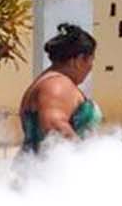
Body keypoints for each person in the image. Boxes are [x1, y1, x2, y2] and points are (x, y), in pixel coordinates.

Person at [19, 23, 101, 152]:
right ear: (79, 60)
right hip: (48, 170)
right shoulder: (57, 86)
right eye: (91, 60)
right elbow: (55, 128)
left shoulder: (50, 81)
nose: (91, 66)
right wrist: (88, 161)